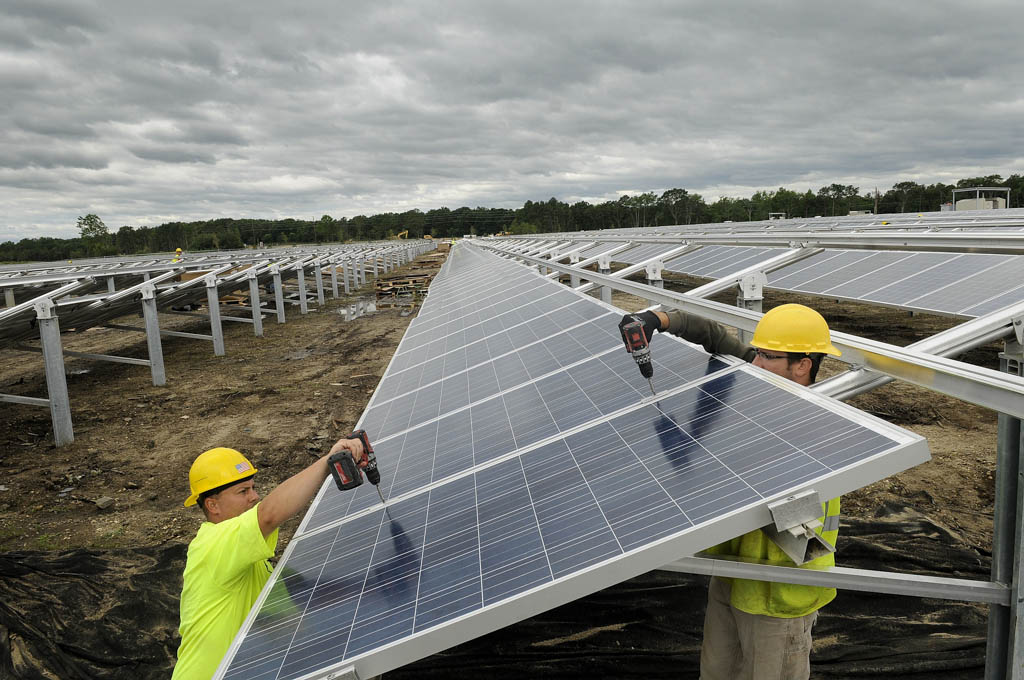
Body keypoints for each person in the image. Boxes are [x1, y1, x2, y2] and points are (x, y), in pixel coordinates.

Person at [620, 303, 841, 680]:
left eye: (768, 356)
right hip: (732, 576)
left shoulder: (821, 426)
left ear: (803, 365)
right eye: (756, 353)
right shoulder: (762, 378)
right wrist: (658, 319)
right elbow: (716, 338)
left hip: (780, 592)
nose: (754, 364)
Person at [171, 438, 364, 680]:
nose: (254, 497)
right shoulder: (212, 545)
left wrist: (371, 588)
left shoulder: (250, 561)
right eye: (243, 491)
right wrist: (328, 461)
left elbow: (307, 595)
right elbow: (268, 516)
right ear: (212, 505)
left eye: (253, 487)